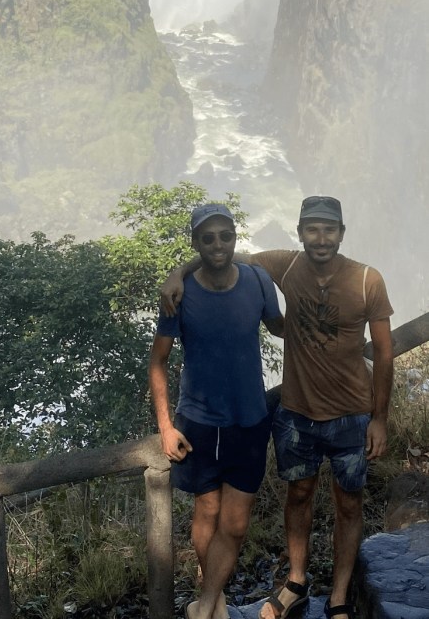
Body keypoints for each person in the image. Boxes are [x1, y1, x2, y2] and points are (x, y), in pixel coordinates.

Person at [160, 195, 394, 619]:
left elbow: (384, 351)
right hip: (296, 415)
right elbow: (221, 252)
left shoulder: (366, 280)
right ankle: (296, 582)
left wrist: (379, 417)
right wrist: (179, 271)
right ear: (300, 232)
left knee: (349, 503)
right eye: (312, 229)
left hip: (352, 413)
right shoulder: (284, 266)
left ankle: (339, 595)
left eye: (329, 229)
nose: (320, 239)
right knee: (298, 495)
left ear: (341, 232)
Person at [149, 203, 284, 619]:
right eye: (208, 238)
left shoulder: (258, 281)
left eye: (225, 235)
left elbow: (282, 327)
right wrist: (166, 428)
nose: (218, 244)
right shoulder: (180, 295)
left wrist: (324, 316)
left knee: (237, 524)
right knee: (206, 511)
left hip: (249, 419)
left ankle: (204, 604)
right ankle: (214, 603)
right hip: (200, 422)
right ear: (196, 243)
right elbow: (157, 361)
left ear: (235, 237)